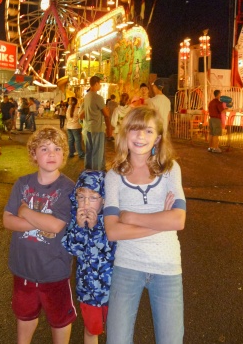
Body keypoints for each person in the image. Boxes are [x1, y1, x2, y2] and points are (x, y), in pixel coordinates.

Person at [104, 106, 186, 344]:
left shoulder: (170, 169)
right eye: (135, 129)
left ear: (158, 138)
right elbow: (112, 231)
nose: (141, 137)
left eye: (148, 131)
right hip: (127, 266)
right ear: (124, 133)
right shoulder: (114, 176)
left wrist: (129, 216)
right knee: (116, 340)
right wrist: (162, 220)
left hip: (167, 267)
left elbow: (178, 220)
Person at [3, 127, 76, 344]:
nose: (51, 154)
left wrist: (25, 212)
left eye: (57, 149)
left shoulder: (68, 188)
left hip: (55, 270)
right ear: (34, 154)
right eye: (44, 149)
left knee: (60, 319)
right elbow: (7, 220)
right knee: (25, 316)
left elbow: (54, 226)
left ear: (63, 154)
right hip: (23, 268)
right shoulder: (22, 184)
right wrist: (38, 222)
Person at [62, 170, 116, 344]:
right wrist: (79, 227)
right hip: (88, 291)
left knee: (116, 330)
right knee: (91, 330)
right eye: (81, 197)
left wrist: (94, 228)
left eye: (93, 197)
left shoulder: (111, 221)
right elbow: (72, 248)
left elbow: (111, 250)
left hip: (114, 291)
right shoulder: (74, 219)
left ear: (104, 200)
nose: (86, 203)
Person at [80, 76, 113, 171]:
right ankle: (96, 173)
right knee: (97, 153)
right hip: (97, 128)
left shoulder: (87, 96)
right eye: (100, 84)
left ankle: (88, 171)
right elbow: (106, 113)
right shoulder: (98, 97)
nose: (100, 86)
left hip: (88, 128)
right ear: (96, 83)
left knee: (89, 151)